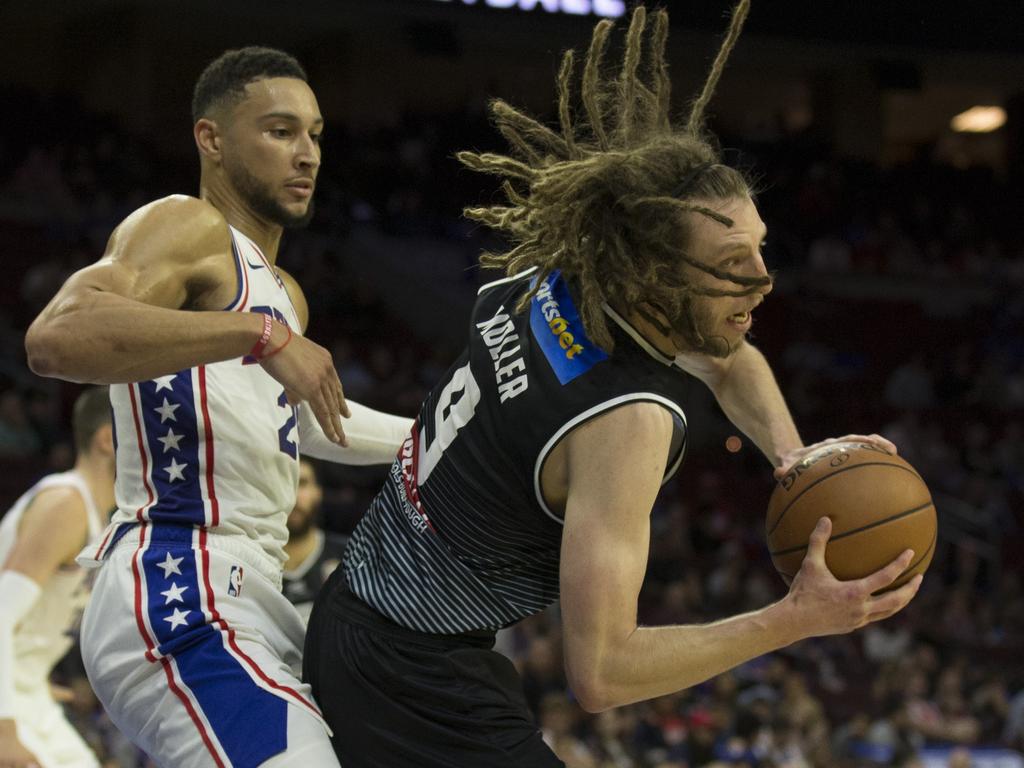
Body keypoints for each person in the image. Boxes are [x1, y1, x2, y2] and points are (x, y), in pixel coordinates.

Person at [304, 5, 922, 767]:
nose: (763, 281)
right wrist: (794, 618)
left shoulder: (549, 285)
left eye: (763, 249)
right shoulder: (626, 421)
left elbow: (728, 359)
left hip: (365, 607)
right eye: (733, 266)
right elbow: (602, 672)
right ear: (653, 275)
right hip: (410, 673)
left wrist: (793, 457)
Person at [25, 46, 411, 767]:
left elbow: (306, 416)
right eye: (279, 130)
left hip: (255, 594)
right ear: (211, 139)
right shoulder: (188, 227)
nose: (307, 155)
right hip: (179, 578)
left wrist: (444, 438)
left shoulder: (285, 291)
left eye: (316, 135)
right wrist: (258, 334)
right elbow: (57, 336)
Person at [0, 386, 115, 768]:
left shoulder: (98, 517)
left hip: (24, 686)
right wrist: (4, 730)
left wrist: (29, 671)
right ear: (107, 439)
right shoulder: (67, 505)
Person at [281, 458, 347, 623]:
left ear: (318, 491)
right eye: (284, 484)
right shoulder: (255, 562)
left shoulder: (350, 555)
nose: (293, 496)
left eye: (302, 483)